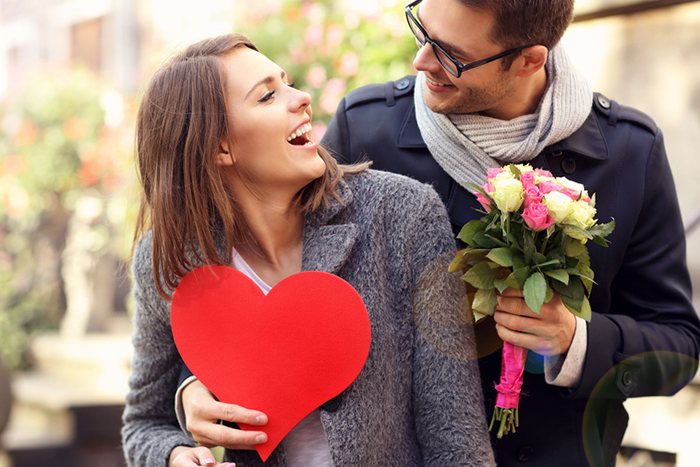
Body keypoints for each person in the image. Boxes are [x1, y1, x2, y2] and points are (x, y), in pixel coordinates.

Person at [319, 0, 700, 466]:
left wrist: (576, 339)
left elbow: (678, 350)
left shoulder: (631, 152)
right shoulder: (366, 131)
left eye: (451, 54)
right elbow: (287, 285)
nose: (420, 61)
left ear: (528, 60)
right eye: (422, 29)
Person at [121, 33, 495, 467]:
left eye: (288, 82)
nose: (300, 98)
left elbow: (456, 439)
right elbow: (143, 423)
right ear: (220, 146)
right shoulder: (166, 260)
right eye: (267, 96)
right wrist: (174, 456)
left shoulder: (404, 216)